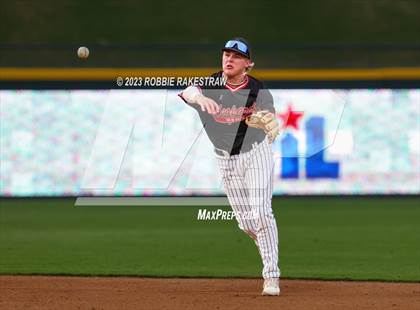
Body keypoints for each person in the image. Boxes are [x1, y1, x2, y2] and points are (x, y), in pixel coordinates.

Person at [179, 37, 281, 296]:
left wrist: (265, 120)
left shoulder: (257, 88)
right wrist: (199, 99)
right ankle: (268, 242)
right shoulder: (212, 83)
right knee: (246, 224)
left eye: (236, 56)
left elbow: (269, 116)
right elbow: (187, 91)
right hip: (225, 159)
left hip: (255, 153)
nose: (229, 59)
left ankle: (271, 277)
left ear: (248, 63)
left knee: (261, 214)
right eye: (226, 54)